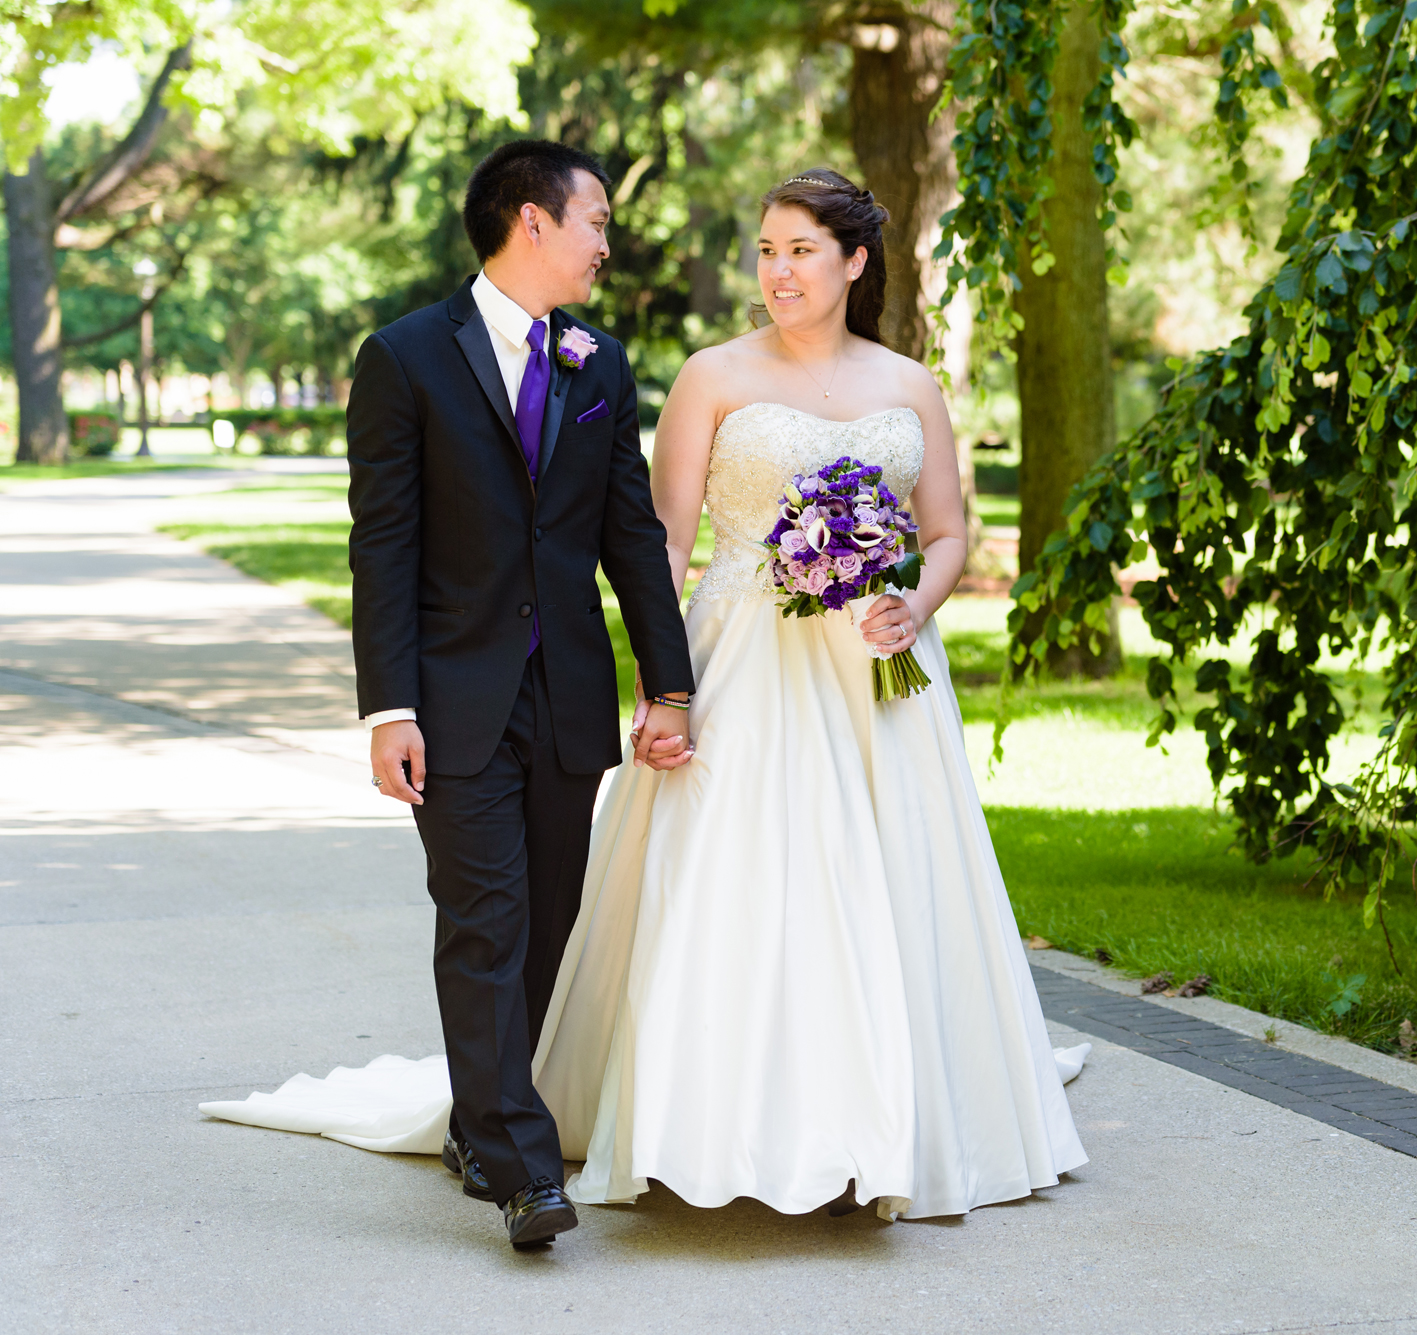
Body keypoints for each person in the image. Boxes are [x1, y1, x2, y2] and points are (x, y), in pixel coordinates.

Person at [200, 164, 1086, 1230]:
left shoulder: (661, 368)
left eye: (798, 249)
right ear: (537, 224)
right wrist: (642, 685)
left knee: (823, 893)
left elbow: (935, 532)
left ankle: (875, 1112)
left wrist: (906, 599)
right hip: (700, 664)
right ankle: (531, 1153)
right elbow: (624, 539)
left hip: (865, 680)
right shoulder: (487, 362)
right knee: (546, 911)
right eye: (765, 249)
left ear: (854, 261)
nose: (774, 269)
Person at [345, 139, 697, 1248]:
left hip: (569, 703)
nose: (607, 243)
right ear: (531, 223)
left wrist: (669, 686)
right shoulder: (403, 358)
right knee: (484, 920)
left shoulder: (601, 364)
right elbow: (383, 547)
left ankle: (480, 1117)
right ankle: (520, 1169)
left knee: (547, 922)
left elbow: (629, 536)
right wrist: (387, 707)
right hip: (451, 700)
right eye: (595, 221)